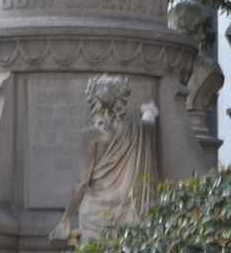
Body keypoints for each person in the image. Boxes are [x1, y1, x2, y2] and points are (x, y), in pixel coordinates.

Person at [50, 75, 159, 243]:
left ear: (93, 101)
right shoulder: (137, 128)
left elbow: (81, 184)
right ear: (120, 99)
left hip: (95, 213)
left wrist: (65, 218)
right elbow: (149, 124)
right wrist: (149, 111)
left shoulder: (90, 136)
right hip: (127, 209)